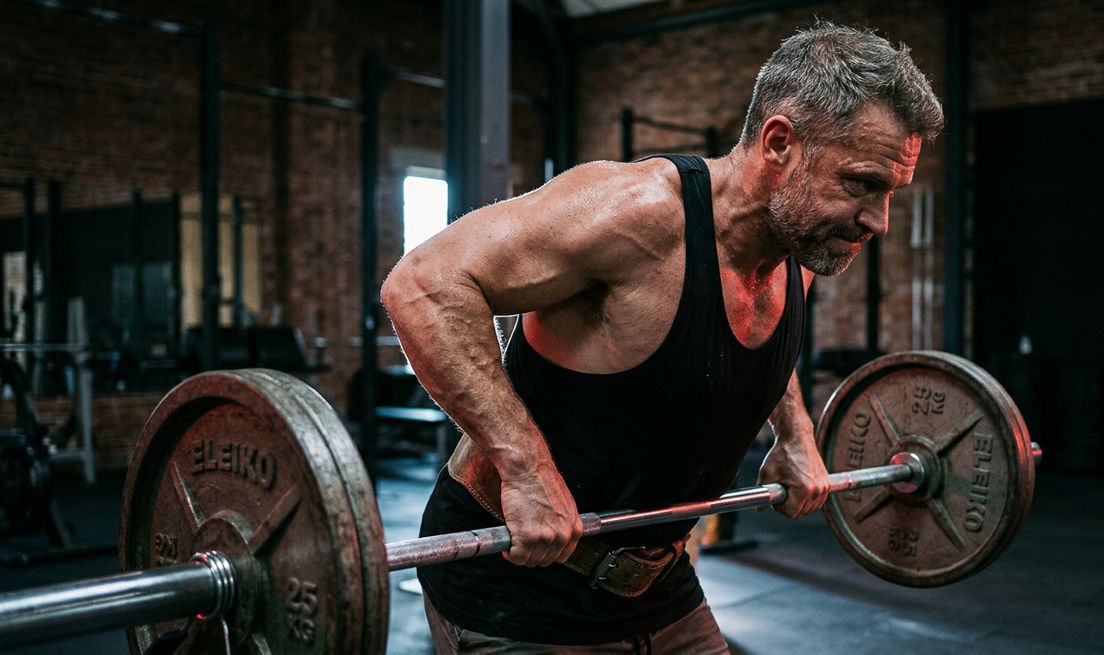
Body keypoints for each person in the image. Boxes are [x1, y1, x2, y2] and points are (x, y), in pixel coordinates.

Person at [382, 22, 943, 654]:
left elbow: (759, 340)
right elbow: (425, 285)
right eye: (862, 183)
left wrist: (795, 435)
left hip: (660, 584)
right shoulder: (635, 215)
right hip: (516, 588)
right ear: (779, 143)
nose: (880, 220)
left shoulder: (796, 250)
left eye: (890, 192)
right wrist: (525, 466)